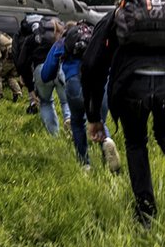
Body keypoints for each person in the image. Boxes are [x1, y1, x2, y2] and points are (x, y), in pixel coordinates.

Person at [82, 0, 165, 226]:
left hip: (132, 84)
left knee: (136, 142)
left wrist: (93, 116)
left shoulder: (115, 16)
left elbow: (92, 64)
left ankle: (146, 211)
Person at [40, 21, 121, 173]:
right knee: (99, 121)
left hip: (75, 84)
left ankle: (85, 164)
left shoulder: (61, 43)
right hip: (101, 85)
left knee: (77, 122)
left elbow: (46, 74)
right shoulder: (97, 39)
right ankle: (107, 143)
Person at [15, 13, 70, 133]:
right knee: (65, 101)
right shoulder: (60, 35)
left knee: (46, 102)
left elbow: (21, 63)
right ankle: (68, 118)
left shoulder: (31, 39)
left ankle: (54, 134)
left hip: (40, 71)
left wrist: (30, 86)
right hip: (60, 69)